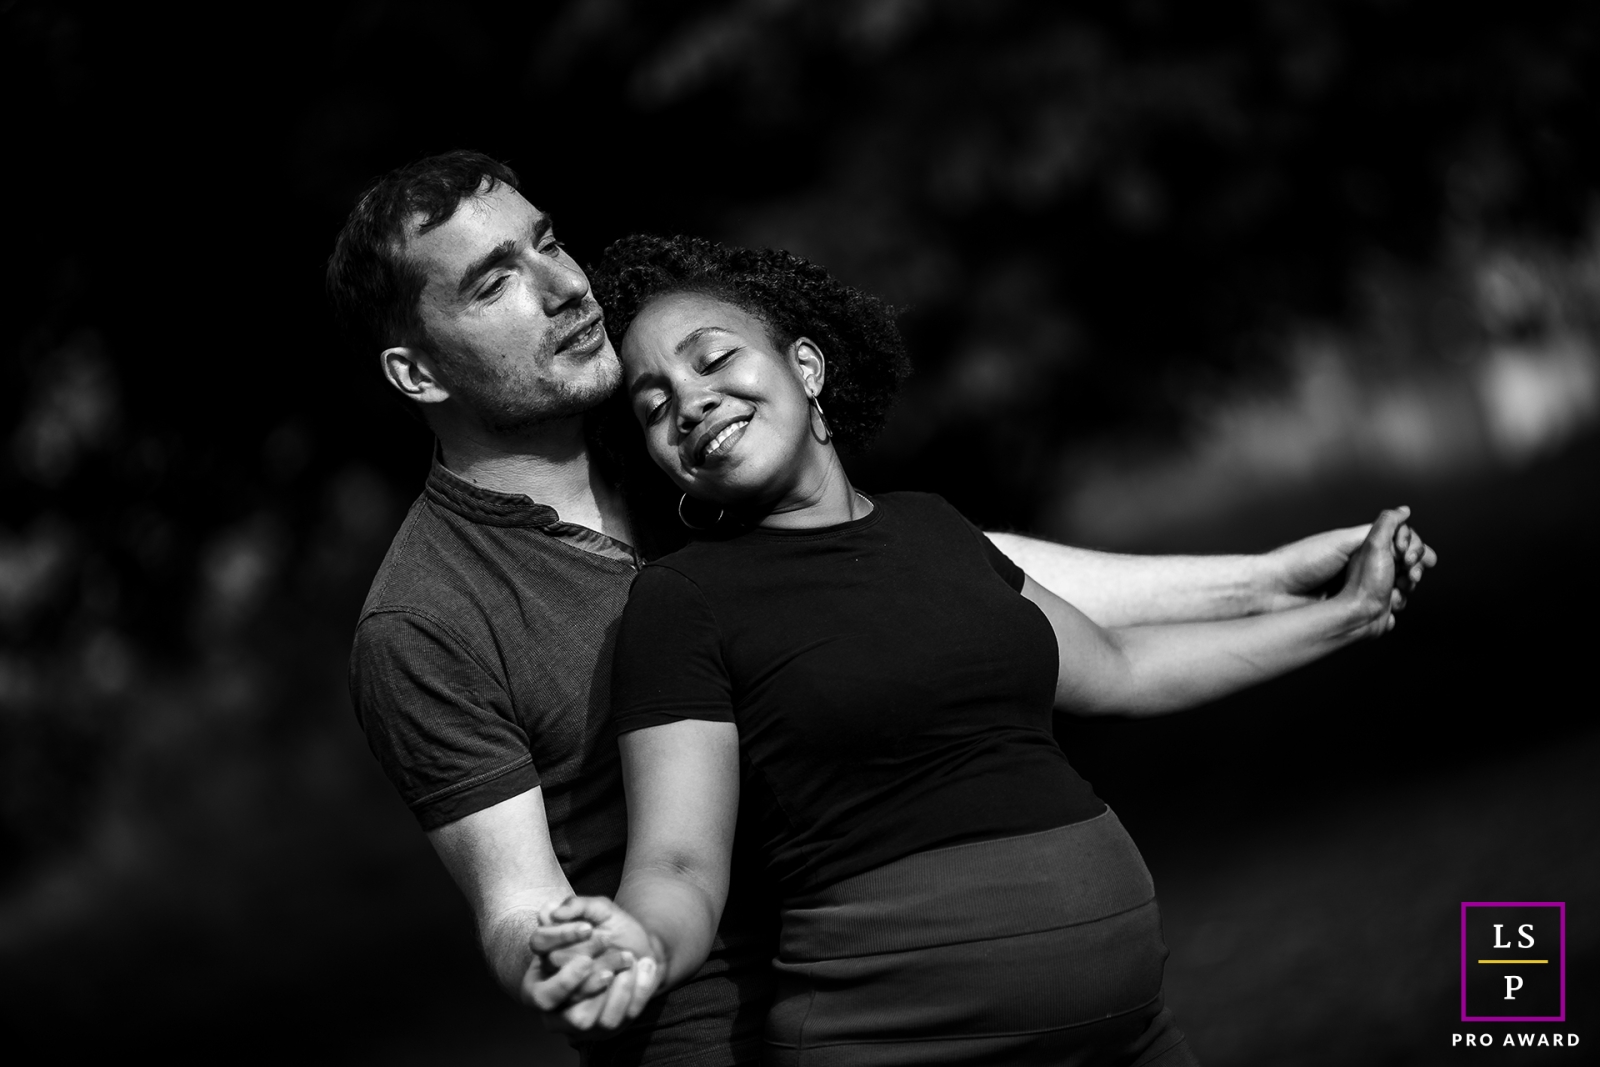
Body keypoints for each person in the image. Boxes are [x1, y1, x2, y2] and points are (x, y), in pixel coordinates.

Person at [326, 151, 1434, 1066]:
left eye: (548, 240)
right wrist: (573, 949)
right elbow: (516, 900)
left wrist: (1266, 577)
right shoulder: (424, 619)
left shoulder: (686, 464)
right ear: (418, 375)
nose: (563, 286)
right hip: (722, 1026)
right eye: (492, 281)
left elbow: (950, 574)